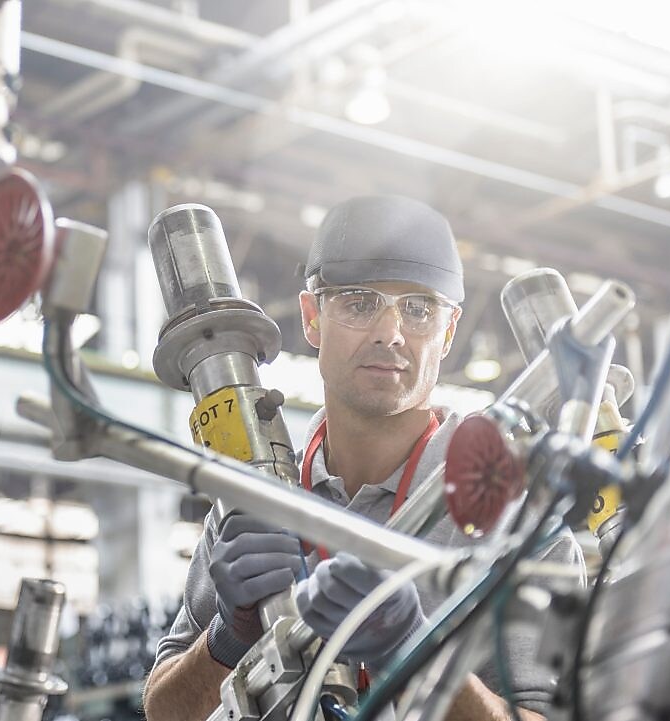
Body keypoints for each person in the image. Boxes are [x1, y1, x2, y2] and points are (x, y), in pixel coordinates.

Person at [142, 195, 586, 721]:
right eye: (358, 303)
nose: (389, 333)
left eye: (419, 309)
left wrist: (412, 651)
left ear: (448, 333)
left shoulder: (518, 518)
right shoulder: (253, 500)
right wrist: (228, 637)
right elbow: (164, 711)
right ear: (312, 317)